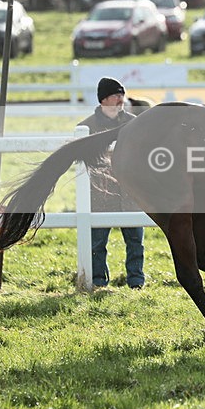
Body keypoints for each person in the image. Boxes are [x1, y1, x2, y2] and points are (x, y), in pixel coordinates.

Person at [78, 77, 145, 289]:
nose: (120, 100)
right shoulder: (85, 127)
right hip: (100, 192)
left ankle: (136, 282)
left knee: (135, 241)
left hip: (130, 192)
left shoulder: (134, 123)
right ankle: (98, 282)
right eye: (116, 95)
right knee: (97, 243)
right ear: (103, 99)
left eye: (122, 95)